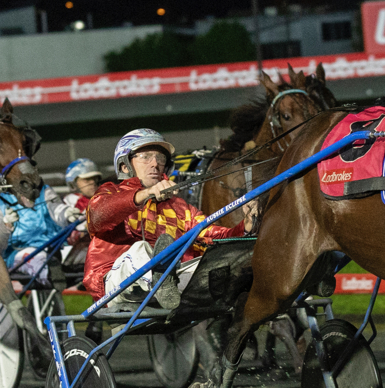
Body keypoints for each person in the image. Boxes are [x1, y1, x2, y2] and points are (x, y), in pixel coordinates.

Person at [83, 128, 256, 309]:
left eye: (160, 158)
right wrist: (145, 194)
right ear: (125, 166)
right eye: (146, 157)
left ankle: (165, 280)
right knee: (140, 249)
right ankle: (160, 277)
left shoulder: (179, 206)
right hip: (114, 285)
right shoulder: (110, 192)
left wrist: (246, 226)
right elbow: (98, 215)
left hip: (172, 286)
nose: (155, 164)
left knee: (216, 265)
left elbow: (213, 235)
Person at [0, 184, 82, 284]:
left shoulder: (44, 191)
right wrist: (6, 226)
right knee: (34, 258)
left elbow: (55, 208)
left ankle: (73, 275)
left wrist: (66, 213)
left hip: (52, 248)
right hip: (17, 253)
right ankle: (53, 277)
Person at [63, 158, 103, 245]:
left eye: (95, 179)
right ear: (73, 183)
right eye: (87, 180)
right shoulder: (69, 203)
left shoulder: (106, 198)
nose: (93, 182)